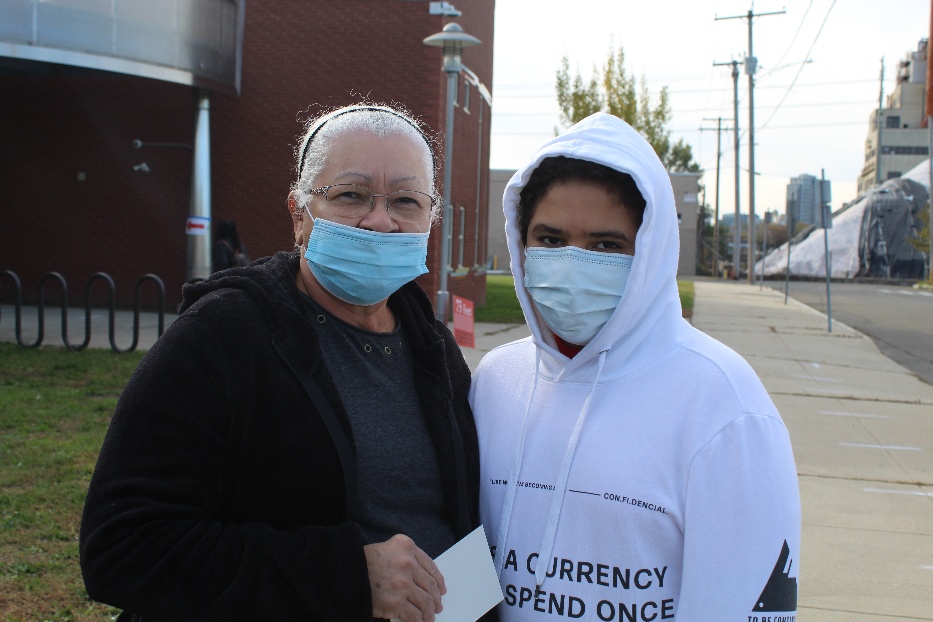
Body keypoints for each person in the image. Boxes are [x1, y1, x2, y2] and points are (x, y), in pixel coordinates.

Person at [80, 104, 489, 622]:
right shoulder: (223, 337)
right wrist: (343, 578)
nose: (381, 220)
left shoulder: (434, 350)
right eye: (351, 194)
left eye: (406, 200)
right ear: (300, 214)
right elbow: (121, 548)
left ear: (431, 219)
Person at [470, 112, 801, 619]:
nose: (573, 262)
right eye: (551, 240)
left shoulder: (722, 404)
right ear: (521, 243)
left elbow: (743, 600)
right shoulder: (496, 382)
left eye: (606, 245)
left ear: (649, 250)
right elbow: (470, 562)